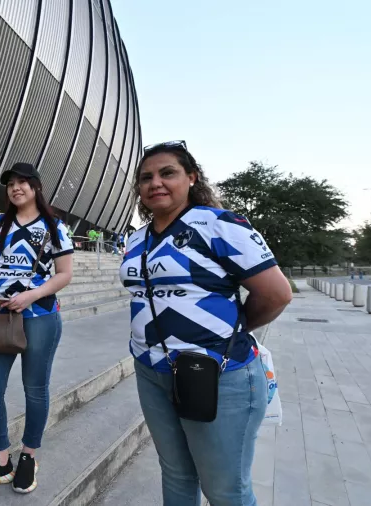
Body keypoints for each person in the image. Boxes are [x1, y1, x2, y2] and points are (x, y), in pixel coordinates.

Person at [119, 140, 292, 506]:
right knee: (177, 475)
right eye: (146, 177)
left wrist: (231, 332)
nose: (156, 183)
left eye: (168, 173)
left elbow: (276, 294)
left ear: (192, 178)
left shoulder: (220, 226)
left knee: (226, 490)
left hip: (217, 372)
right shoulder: (136, 239)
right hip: (151, 370)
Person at [0, 162, 74, 495]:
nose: (16, 188)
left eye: (23, 182)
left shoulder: (54, 226)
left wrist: (31, 295)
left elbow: (64, 273)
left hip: (40, 316)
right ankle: (1, 461)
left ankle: (28, 455)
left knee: (35, 389)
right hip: (1, 318)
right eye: (11, 183)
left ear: (36, 187)